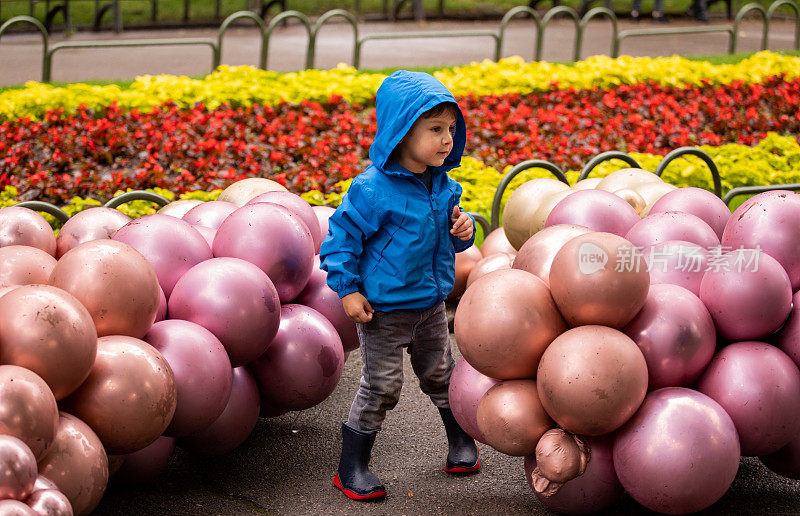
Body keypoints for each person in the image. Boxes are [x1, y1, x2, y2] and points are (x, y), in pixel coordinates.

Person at [319, 70, 479, 501]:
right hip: (384, 311)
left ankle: (461, 441)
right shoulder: (371, 191)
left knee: (441, 375)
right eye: (434, 129)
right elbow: (341, 241)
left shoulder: (444, 186)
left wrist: (464, 230)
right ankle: (350, 467)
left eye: (451, 129)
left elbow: (452, 234)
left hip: (430, 305)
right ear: (401, 132)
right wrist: (348, 290)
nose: (447, 139)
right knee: (382, 387)